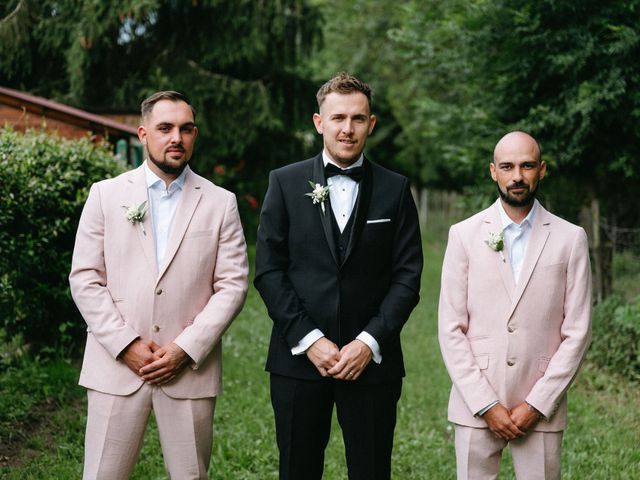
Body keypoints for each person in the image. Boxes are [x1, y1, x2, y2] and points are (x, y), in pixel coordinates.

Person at [69, 90, 248, 479]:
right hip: (115, 367)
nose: (176, 138)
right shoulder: (106, 195)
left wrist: (185, 349)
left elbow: (232, 285)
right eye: (165, 128)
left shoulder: (221, 202)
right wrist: (125, 345)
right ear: (143, 133)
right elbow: (85, 277)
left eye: (186, 129)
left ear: (195, 135)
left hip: (188, 371)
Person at [254, 73, 423, 480]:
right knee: (297, 469)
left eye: (358, 119)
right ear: (319, 122)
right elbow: (269, 271)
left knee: (371, 470)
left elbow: (408, 276)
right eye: (338, 118)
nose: (348, 129)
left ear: (371, 123)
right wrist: (309, 340)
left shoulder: (396, 189)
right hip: (298, 362)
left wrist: (368, 342)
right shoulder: (285, 182)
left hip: (372, 365)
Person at [438, 131, 592, 480]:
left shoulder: (571, 238)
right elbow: (451, 327)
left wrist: (538, 403)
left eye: (527, 166)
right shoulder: (463, 235)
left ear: (542, 169)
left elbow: (578, 332)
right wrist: (485, 403)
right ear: (493, 171)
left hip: (541, 404)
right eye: (507, 167)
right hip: (475, 402)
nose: (517, 176)